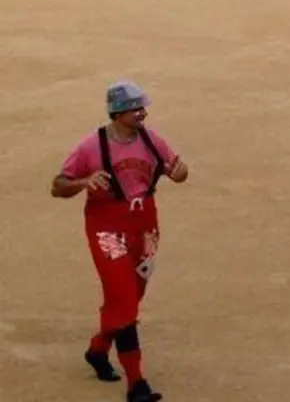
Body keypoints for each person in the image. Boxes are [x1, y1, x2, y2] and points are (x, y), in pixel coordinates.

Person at [51, 81, 190, 402]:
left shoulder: (151, 139)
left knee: (132, 295)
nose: (143, 112)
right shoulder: (91, 146)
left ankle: (98, 349)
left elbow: (177, 171)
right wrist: (85, 181)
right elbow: (58, 185)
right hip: (106, 228)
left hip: (144, 226)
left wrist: (180, 173)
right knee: (123, 296)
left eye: (142, 107)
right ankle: (136, 383)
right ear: (117, 112)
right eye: (135, 108)